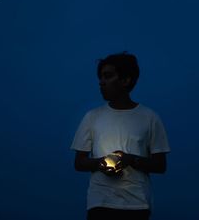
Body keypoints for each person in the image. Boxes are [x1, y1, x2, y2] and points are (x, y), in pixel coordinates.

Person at [71, 52, 171, 220]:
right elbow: (79, 162)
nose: (101, 82)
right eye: (101, 77)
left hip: (137, 204)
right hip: (100, 203)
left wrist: (131, 160)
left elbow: (160, 165)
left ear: (126, 80)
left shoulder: (149, 117)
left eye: (108, 76)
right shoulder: (92, 117)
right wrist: (101, 163)